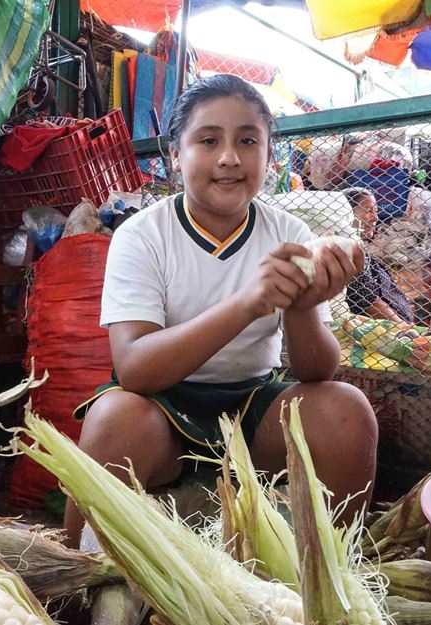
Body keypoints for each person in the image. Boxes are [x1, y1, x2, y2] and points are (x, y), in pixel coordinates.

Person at [67, 74, 377, 547]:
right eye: (208, 140)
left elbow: (317, 369)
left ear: (269, 157)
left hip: (253, 408)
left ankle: (330, 575)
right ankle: (74, 591)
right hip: (161, 409)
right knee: (114, 418)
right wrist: (247, 303)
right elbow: (133, 369)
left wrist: (302, 306)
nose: (229, 158)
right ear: (176, 156)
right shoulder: (143, 235)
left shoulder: (287, 231)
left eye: (248, 141)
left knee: (345, 412)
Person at [342, 187, 415, 324]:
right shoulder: (349, 251)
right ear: (348, 212)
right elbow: (368, 301)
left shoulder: (359, 247)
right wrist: (407, 330)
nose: (375, 218)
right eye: (368, 210)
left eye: (376, 211)